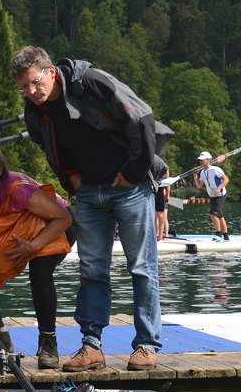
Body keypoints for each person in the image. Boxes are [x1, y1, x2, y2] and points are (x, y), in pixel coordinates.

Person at [12, 45, 167, 372]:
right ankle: (91, 346)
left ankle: (146, 345)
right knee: (92, 271)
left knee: (141, 267)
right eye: (24, 87)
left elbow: (142, 118)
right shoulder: (35, 110)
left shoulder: (91, 82)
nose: (31, 91)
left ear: (51, 71)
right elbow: (50, 150)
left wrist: (134, 171)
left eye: (35, 82)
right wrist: (71, 180)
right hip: (89, 194)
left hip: (130, 188)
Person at [0, 142, 74, 369]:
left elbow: (63, 219)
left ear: (2, 170)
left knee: (40, 270)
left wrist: (33, 246)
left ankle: (48, 342)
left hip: (55, 225)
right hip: (15, 230)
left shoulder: (18, 188)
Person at [194, 152, 230, 240]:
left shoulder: (215, 169)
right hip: (212, 195)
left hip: (220, 194)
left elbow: (226, 180)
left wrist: (218, 188)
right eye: (200, 160)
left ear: (208, 160)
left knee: (213, 214)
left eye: (202, 160)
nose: (201, 162)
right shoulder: (203, 172)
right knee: (219, 215)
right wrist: (195, 176)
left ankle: (218, 235)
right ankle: (226, 236)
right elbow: (199, 185)